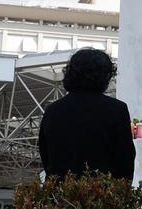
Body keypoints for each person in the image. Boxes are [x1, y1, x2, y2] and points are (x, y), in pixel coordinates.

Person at [37, 48, 135, 181]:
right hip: (103, 194)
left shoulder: (52, 110)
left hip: (59, 193)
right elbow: (125, 158)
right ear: (105, 75)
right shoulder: (117, 110)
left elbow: (46, 155)